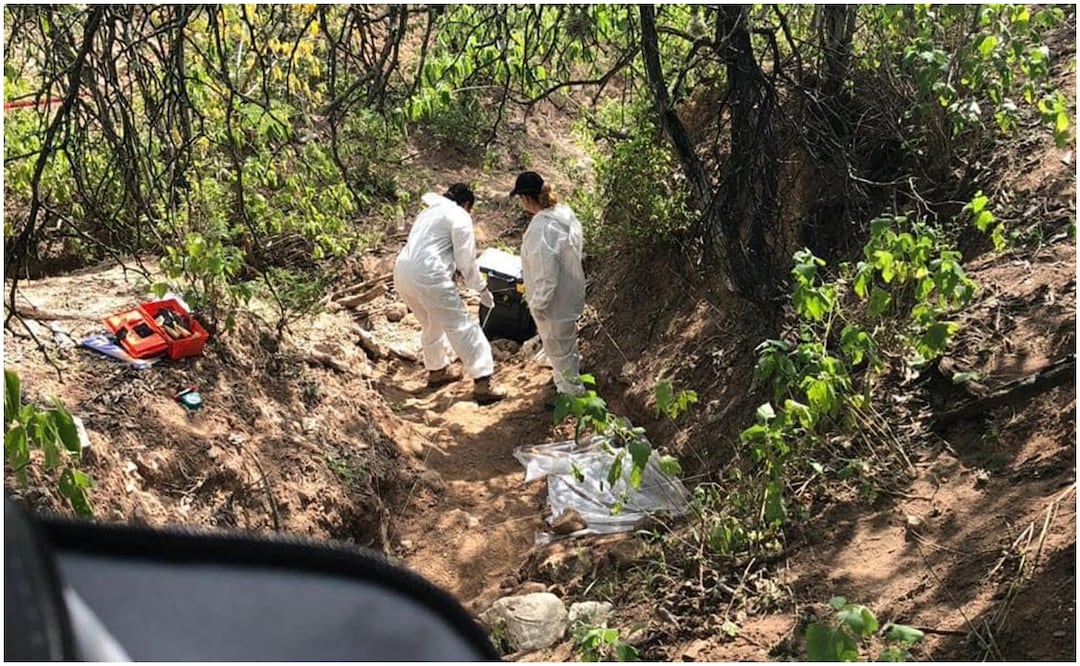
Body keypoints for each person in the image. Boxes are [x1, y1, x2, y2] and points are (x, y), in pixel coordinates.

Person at [393, 183, 506, 404]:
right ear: (467, 205)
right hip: (430, 274)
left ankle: (437, 371)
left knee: (432, 323)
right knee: (463, 326)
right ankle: (483, 382)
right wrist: (481, 288)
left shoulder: (428, 213)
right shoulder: (460, 216)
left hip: (402, 273)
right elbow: (466, 261)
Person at [511, 171, 586, 404]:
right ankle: (568, 390)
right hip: (570, 293)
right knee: (566, 349)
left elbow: (545, 274)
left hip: (553, 304)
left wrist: (538, 305)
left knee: (560, 353)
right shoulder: (565, 214)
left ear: (525, 198)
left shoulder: (540, 229)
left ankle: (572, 398)